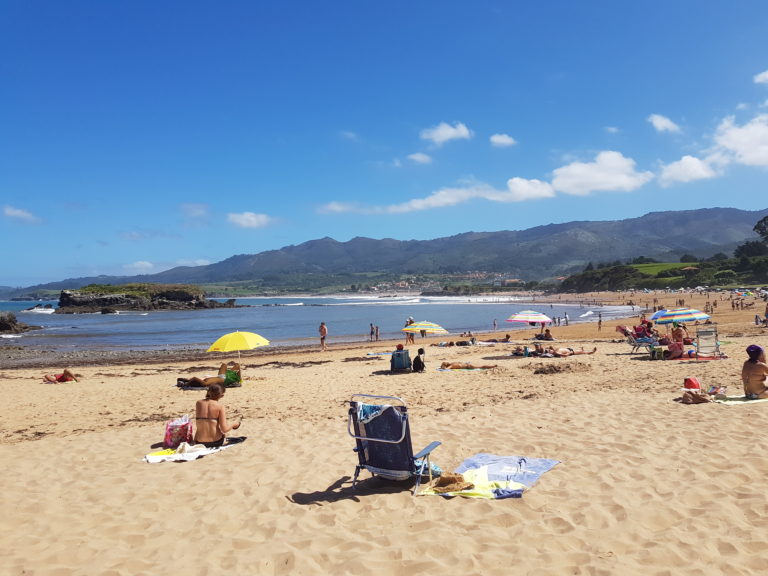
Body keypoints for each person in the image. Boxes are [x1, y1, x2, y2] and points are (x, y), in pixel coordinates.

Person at [194, 383, 241, 448]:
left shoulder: (198, 403)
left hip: (199, 442)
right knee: (224, 433)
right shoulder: (220, 406)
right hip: (215, 442)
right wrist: (234, 424)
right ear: (222, 395)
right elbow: (224, 429)